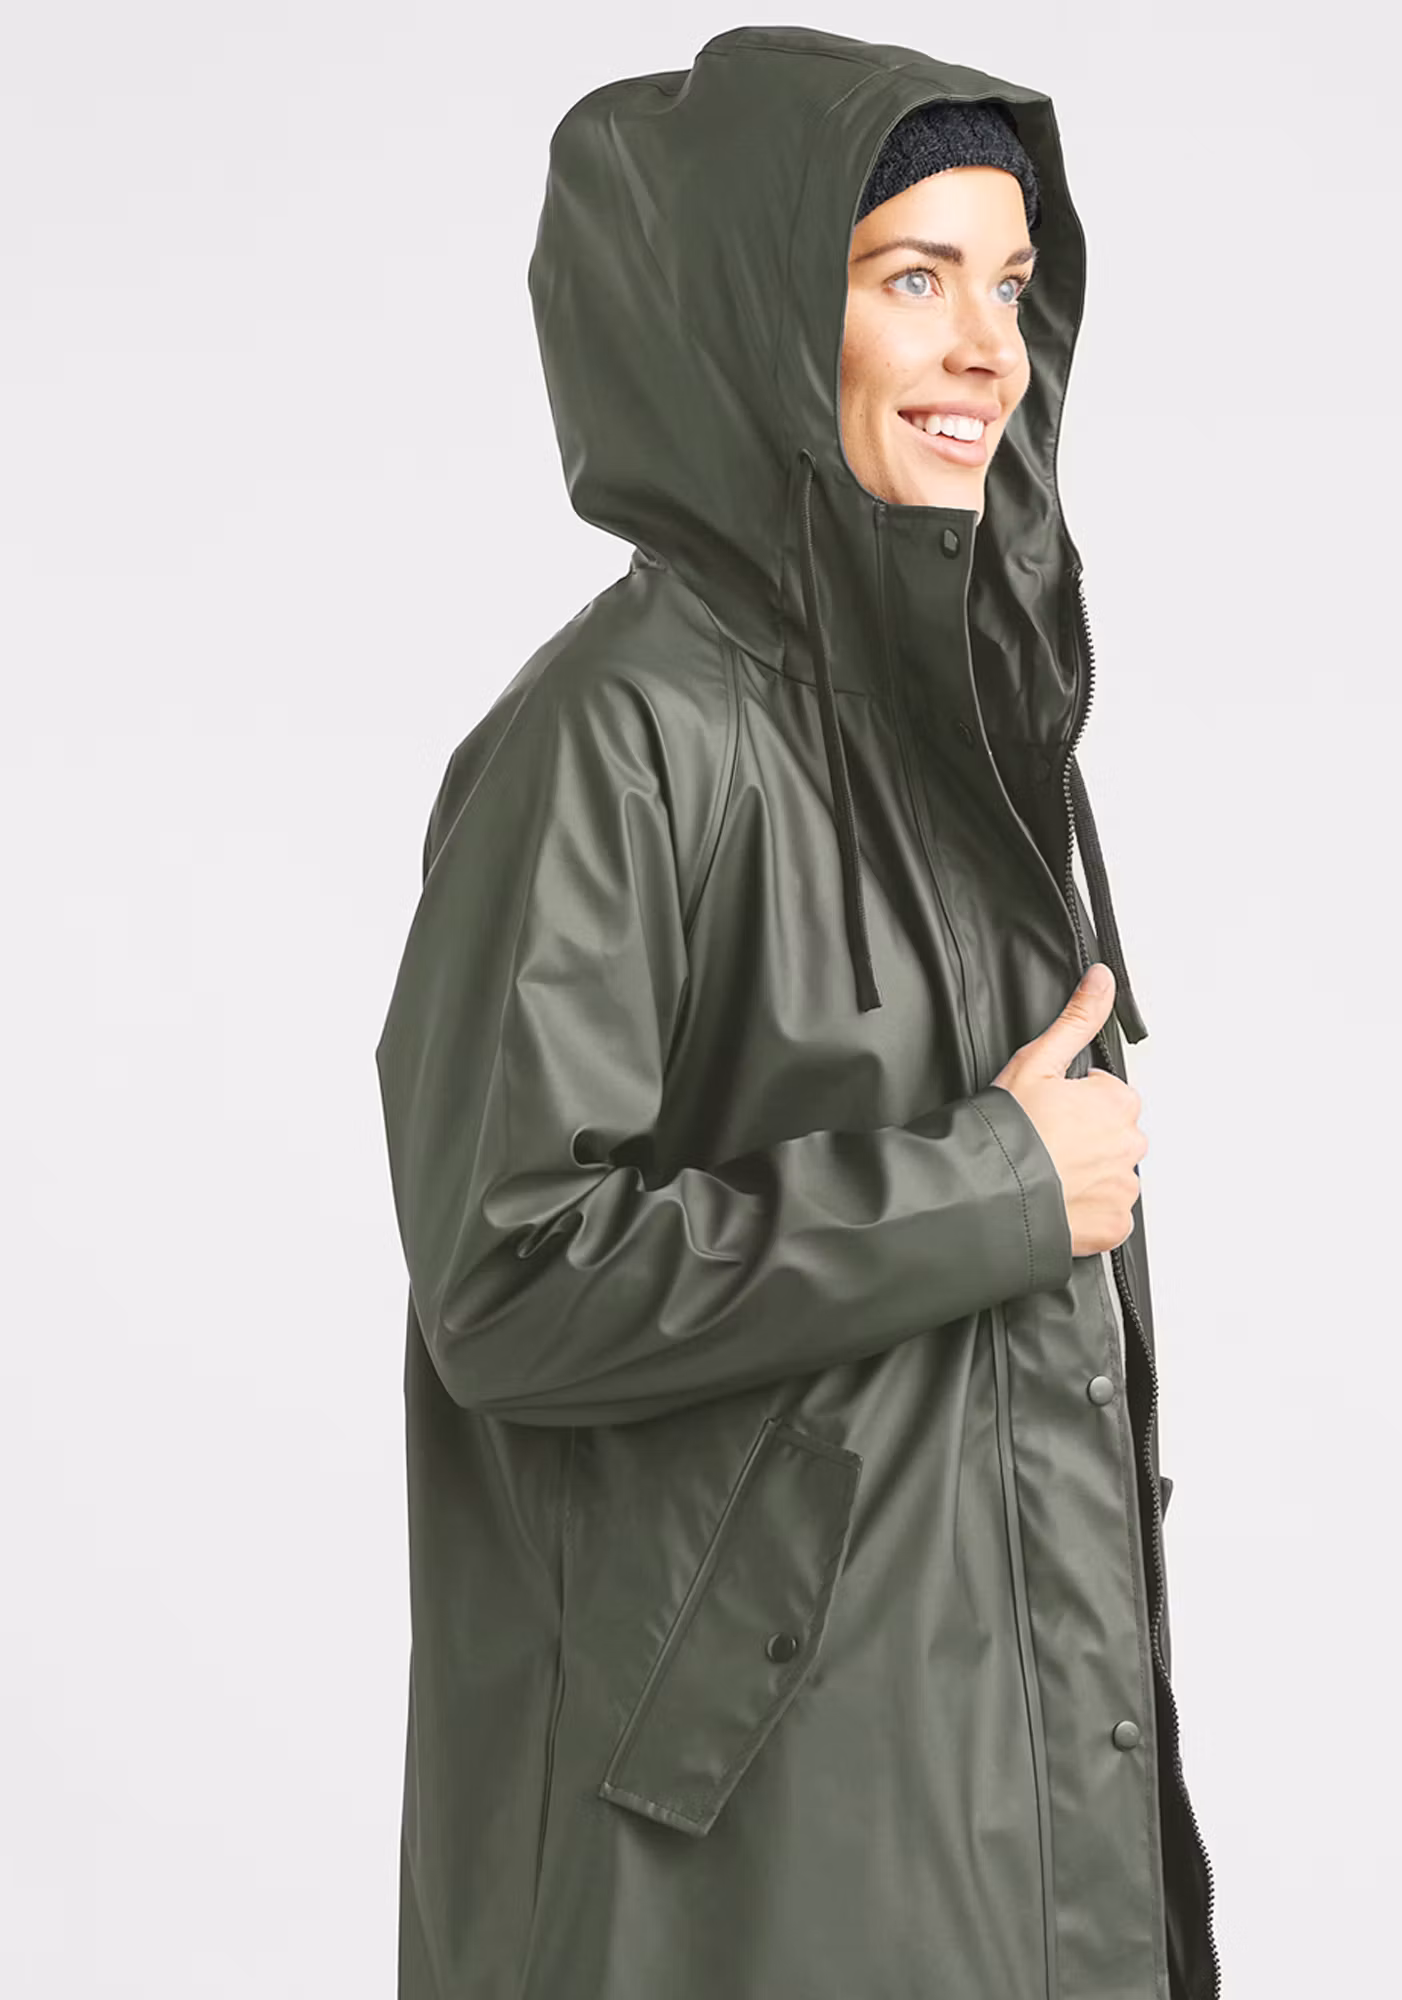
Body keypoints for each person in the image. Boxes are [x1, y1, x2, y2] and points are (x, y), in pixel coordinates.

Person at [374, 24, 1220, 2000]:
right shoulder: (615, 741)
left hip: (971, 1781)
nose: (986, 349)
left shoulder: (972, 723)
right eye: (912, 279)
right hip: (748, 1856)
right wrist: (1000, 1183)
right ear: (761, 322)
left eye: (1008, 284)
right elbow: (509, 1279)